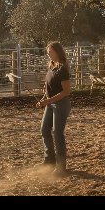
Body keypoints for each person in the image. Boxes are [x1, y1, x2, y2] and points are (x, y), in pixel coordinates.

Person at [35, 41, 72, 178]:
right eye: (48, 52)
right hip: (51, 104)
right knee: (44, 130)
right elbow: (48, 89)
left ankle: (61, 167)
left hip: (61, 104)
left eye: (50, 51)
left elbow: (66, 92)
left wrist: (47, 101)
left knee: (57, 133)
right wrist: (43, 100)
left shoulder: (62, 69)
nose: (48, 54)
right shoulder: (52, 67)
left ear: (57, 52)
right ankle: (49, 160)